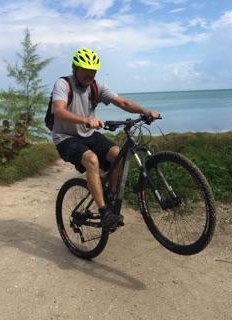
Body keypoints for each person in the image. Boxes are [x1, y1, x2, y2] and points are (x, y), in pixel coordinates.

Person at [51, 48, 159, 230]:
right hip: (65, 137)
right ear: (74, 68)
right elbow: (59, 111)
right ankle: (104, 213)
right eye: (85, 70)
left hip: (88, 135)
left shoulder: (96, 87)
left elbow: (123, 103)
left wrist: (145, 111)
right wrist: (85, 119)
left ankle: (109, 196)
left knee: (119, 154)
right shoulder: (63, 85)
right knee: (91, 160)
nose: (89, 74)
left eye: (93, 71)